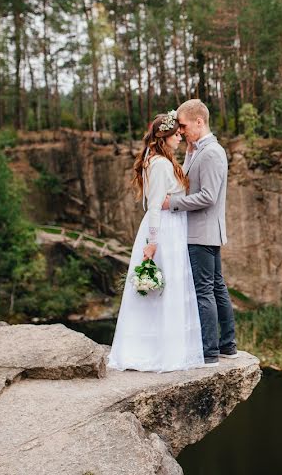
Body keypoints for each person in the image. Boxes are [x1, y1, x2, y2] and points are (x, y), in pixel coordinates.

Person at [108, 111, 206, 372]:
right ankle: (160, 353)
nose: (180, 138)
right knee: (163, 289)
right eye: (176, 134)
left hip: (172, 226)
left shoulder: (161, 159)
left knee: (168, 289)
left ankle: (167, 349)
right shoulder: (160, 163)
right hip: (164, 230)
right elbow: (153, 206)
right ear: (164, 137)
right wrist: (152, 242)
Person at [163, 99, 238, 364]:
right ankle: (227, 344)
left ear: (199, 121)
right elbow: (187, 179)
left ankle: (210, 351)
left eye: (183, 126)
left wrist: (171, 204)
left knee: (204, 290)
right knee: (216, 287)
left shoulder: (212, 152)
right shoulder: (198, 151)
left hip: (201, 231)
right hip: (204, 231)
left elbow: (208, 196)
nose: (181, 131)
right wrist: (188, 152)